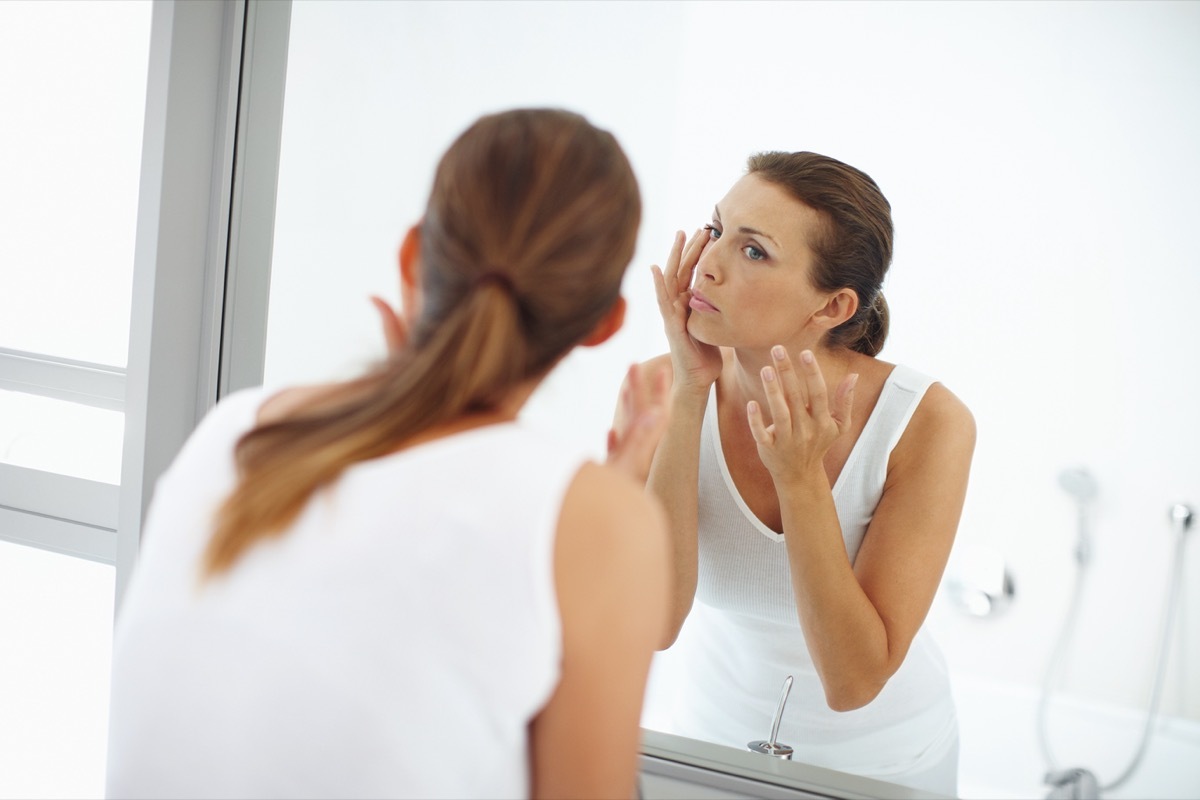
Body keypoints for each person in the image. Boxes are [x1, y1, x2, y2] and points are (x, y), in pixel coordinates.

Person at [106, 108, 672, 800]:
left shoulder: (238, 427)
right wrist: (602, 521)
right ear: (606, 324)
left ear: (412, 256)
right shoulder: (598, 523)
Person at [621, 151, 976, 796]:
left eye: (754, 251)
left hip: (880, 764)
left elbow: (853, 681)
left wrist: (802, 477)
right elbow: (652, 624)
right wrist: (689, 390)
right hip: (708, 738)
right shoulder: (657, 389)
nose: (708, 262)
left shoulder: (927, 423)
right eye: (717, 227)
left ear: (832, 306)